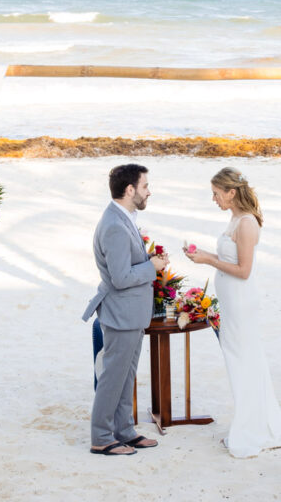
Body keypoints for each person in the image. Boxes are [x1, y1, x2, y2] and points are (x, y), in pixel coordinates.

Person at [184, 167, 281, 458]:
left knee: (244, 363)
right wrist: (203, 255)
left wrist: (209, 259)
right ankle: (249, 423)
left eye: (216, 194)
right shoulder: (233, 218)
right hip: (232, 303)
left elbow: (244, 271)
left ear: (231, 193)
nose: (214, 199)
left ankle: (251, 429)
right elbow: (230, 258)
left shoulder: (246, 223)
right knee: (239, 363)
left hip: (242, 303)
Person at [82, 163, 168, 456]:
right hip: (121, 313)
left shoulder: (123, 217)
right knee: (112, 377)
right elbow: (120, 278)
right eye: (145, 186)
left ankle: (125, 430)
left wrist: (147, 263)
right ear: (130, 190)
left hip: (130, 313)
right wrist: (152, 267)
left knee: (126, 376)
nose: (149, 192)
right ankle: (102, 437)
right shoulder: (115, 226)